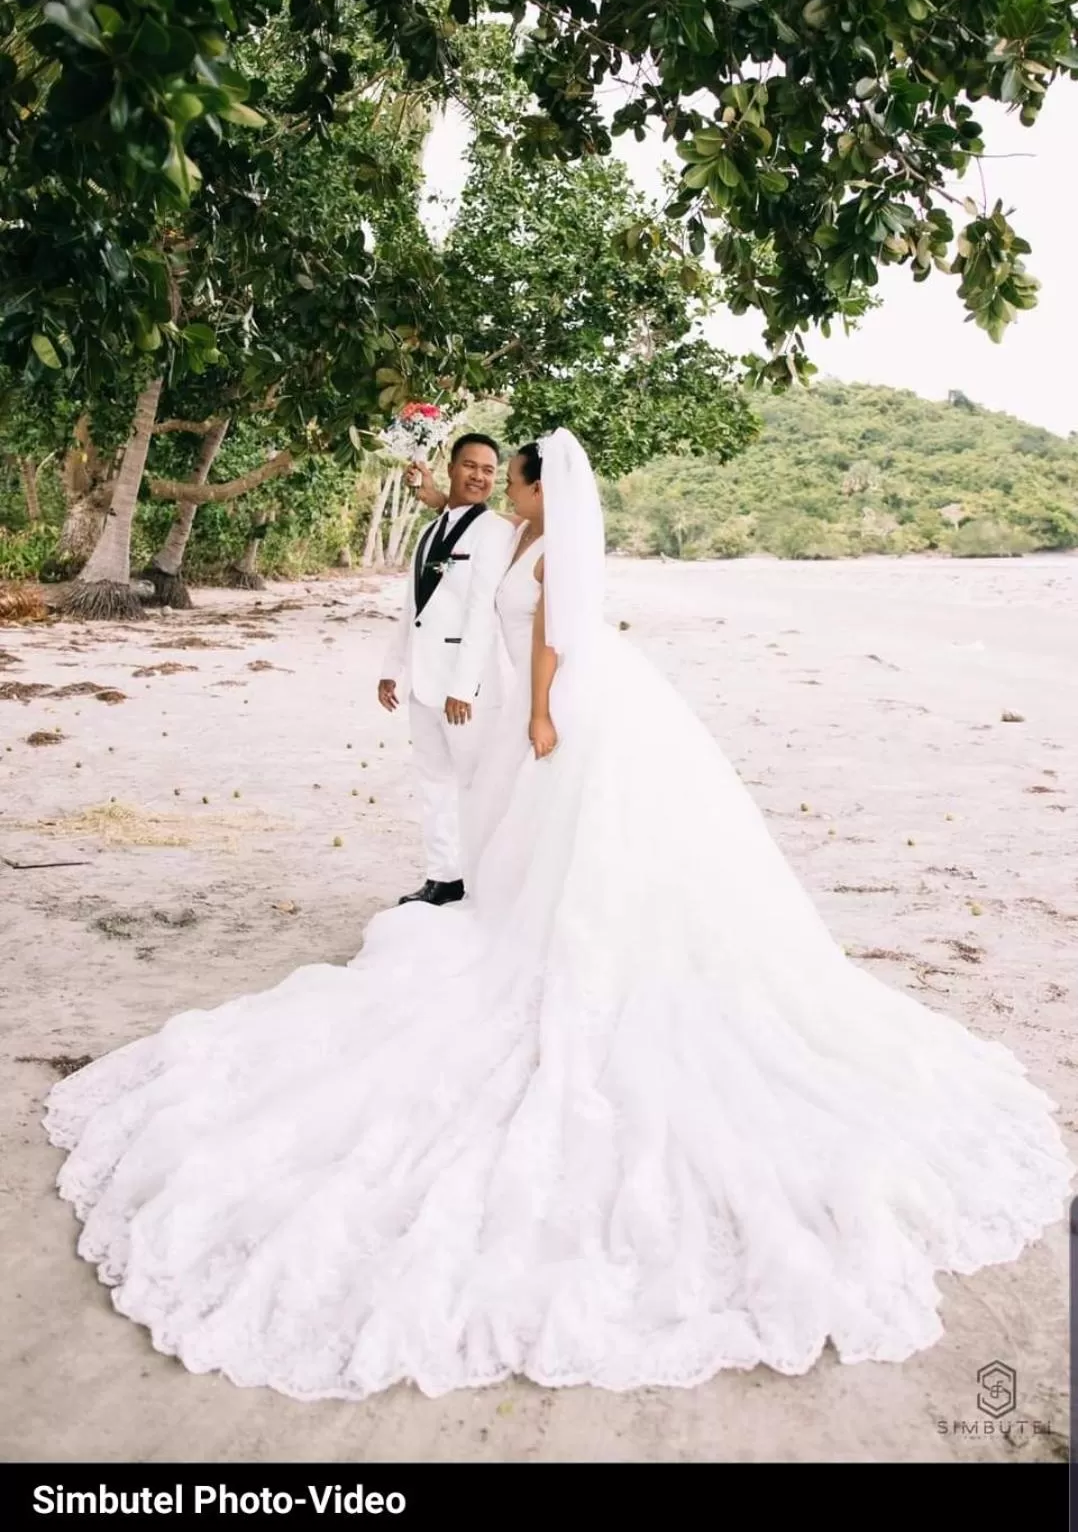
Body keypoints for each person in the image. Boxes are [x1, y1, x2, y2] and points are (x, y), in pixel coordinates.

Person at [43, 430, 1073, 1402]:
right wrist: (424, 506)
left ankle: (566, 940)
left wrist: (537, 711)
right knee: (530, 849)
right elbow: (462, 529)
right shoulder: (514, 529)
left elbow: (553, 641)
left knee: (578, 851)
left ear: (538, 484)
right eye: (497, 476)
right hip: (546, 705)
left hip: (566, 708)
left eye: (516, 474)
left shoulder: (546, 545)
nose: (510, 486)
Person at [377, 432, 515, 906]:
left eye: (489, 470)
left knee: (476, 785)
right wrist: (392, 668)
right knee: (433, 782)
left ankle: (483, 879)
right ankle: (443, 877)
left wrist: (464, 688)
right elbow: (412, 606)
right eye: (470, 466)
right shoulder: (429, 530)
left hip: (465, 688)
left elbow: (481, 612)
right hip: (421, 682)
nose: (479, 476)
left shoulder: (494, 530)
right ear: (451, 468)